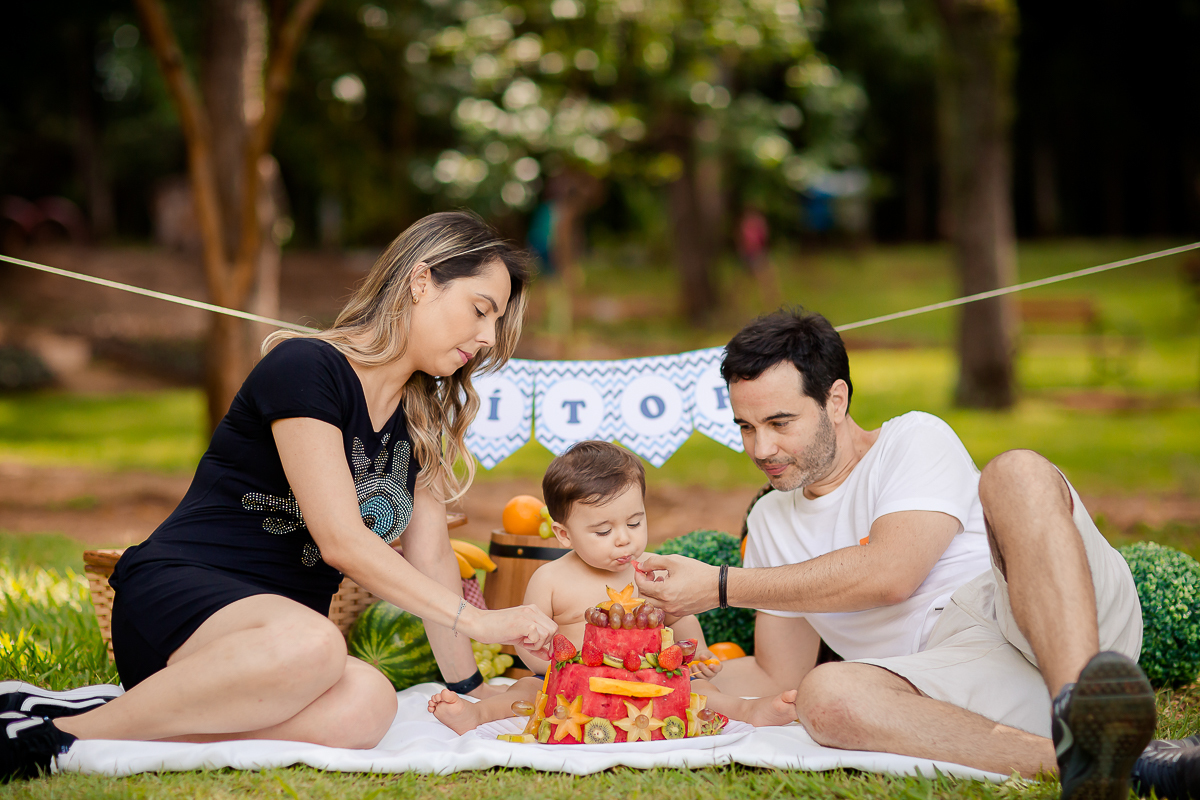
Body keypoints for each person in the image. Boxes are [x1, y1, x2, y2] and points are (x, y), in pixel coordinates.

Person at [0, 211, 557, 781]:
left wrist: (468, 689)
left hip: (284, 646)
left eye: (496, 321)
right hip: (186, 601)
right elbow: (341, 542)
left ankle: (137, 722)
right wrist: (481, 622)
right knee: (317, 644)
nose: (488, 338)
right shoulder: (307, 367)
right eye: (480, 309)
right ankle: (54, 739)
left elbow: (434, 559)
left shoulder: (418, 420)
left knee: (370, 703)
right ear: (421, 281)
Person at [634, 307, 1200, 800]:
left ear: (835, 400)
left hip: (1048, 607)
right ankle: (1112, 763)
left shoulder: (912, 439)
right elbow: (776, 672)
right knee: (825, 696)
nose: (762, 448)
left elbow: (892, 573)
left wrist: (721, 585)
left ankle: (1083, 702)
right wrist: (654, 671)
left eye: (780, 423)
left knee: (1015, 471)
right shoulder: (769, 521)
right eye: (746, 426)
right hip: (955, 673)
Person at [427, 441, 798, 734]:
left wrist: (697, 653)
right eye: (603, 531)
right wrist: (553, 664)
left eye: (635, 523)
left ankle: (749, 710)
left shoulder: (652, 571)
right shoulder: (549, 579)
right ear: (563, 534)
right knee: (525, 692)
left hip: (647, 679)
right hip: (570, 687)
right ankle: (475, 717)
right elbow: (529, 646)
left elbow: (678, 616)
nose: (623, 540)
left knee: (698, 693)